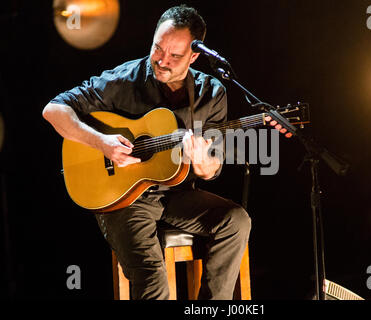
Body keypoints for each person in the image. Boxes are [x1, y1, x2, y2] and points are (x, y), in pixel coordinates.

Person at [42, 5, 251, 300]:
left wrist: (203, 163)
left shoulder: (212, 93)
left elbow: (210, 169)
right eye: (157, 48)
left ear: (194, 57)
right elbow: (53, 110)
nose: (162, 60)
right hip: (123, 200)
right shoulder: (122, 80)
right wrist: (103, 143)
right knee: (153, 280)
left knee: (236, 221)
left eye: (175, 56)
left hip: (177, 194)